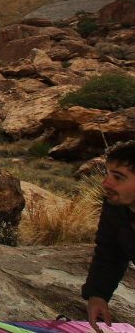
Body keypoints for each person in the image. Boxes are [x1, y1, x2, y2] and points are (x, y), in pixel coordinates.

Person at [82, 141, 135, 332]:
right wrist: (98, 295)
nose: (106, 183)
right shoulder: (116, 208)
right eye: (107, 174)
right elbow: (111, 251)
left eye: (118, 177)